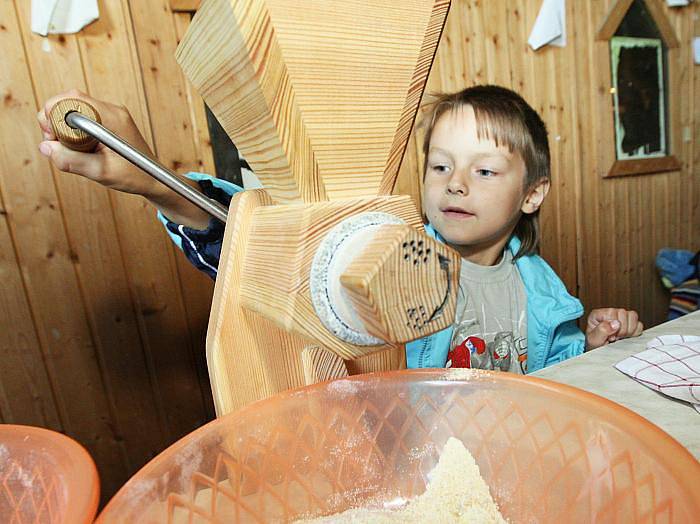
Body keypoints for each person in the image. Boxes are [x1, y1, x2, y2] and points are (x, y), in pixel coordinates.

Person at [37, 86, 643, 374]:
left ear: (533, 192)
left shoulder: (542, 288)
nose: (456, 182)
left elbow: (553, 369)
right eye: (439, 165)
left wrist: (589, 343)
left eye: (484, 169)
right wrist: (157, 184)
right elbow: (275, 262)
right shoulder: (393, 258)